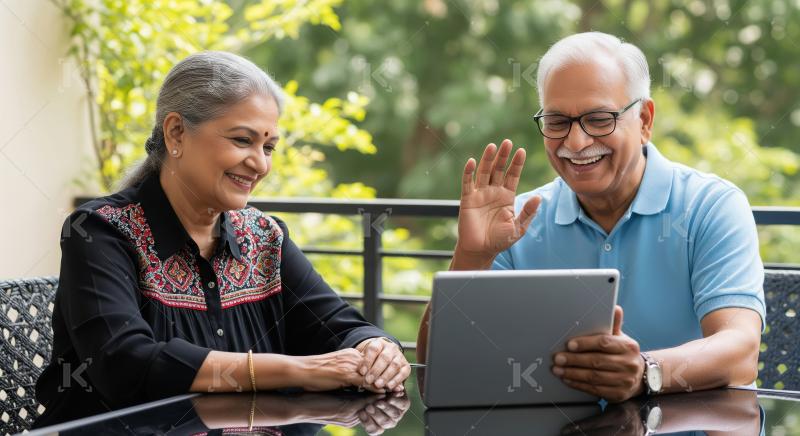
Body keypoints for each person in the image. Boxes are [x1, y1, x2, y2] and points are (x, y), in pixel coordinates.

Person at [34, 51, 410, 427]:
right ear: (176, 132)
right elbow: (125, 362)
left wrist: (375, 348)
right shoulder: (100, 231)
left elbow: (337, 326)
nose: (260, 164)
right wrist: (303, 371)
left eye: (268, 147)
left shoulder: (265, 238)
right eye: (243, 140)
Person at [417, 32, 765, 402]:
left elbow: (740, 351)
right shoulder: (514, 222)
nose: (576, 143)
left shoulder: (711, 206)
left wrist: (647, 371)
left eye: (599, 119)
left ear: (645, 120)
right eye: (556, 122)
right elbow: (436, 371)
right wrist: (472, 257)